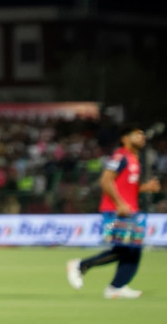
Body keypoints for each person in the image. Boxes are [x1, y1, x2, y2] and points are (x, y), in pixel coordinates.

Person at [67, 124, 160, 298]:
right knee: (126, 248)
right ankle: (81, 266)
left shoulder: (134, 159)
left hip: (130, 212)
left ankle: (117, 287)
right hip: (116, 212)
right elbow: (105, 180)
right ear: (125, 139)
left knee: (133, 249)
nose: (142, 137)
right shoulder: (120, 156)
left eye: (142, 135)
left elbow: (127, 187)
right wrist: (119, 204)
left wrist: (145, 187)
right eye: (137, 134)